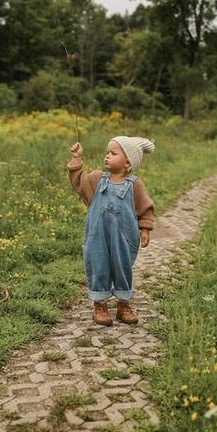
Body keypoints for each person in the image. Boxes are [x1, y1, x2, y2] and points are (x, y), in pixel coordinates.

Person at [67, 136, 155, 326]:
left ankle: (124, 304)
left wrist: (145, 229)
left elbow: (145, 208)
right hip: (98, 235)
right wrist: (76, 159)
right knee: (99, 266)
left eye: (113, 153)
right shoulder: (97, 179)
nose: (107, 156)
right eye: (107, 152)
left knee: (122, 267)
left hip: (123, 237)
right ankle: (100, 305)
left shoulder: (135, 185)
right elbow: (79, 183)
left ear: (127, 162)